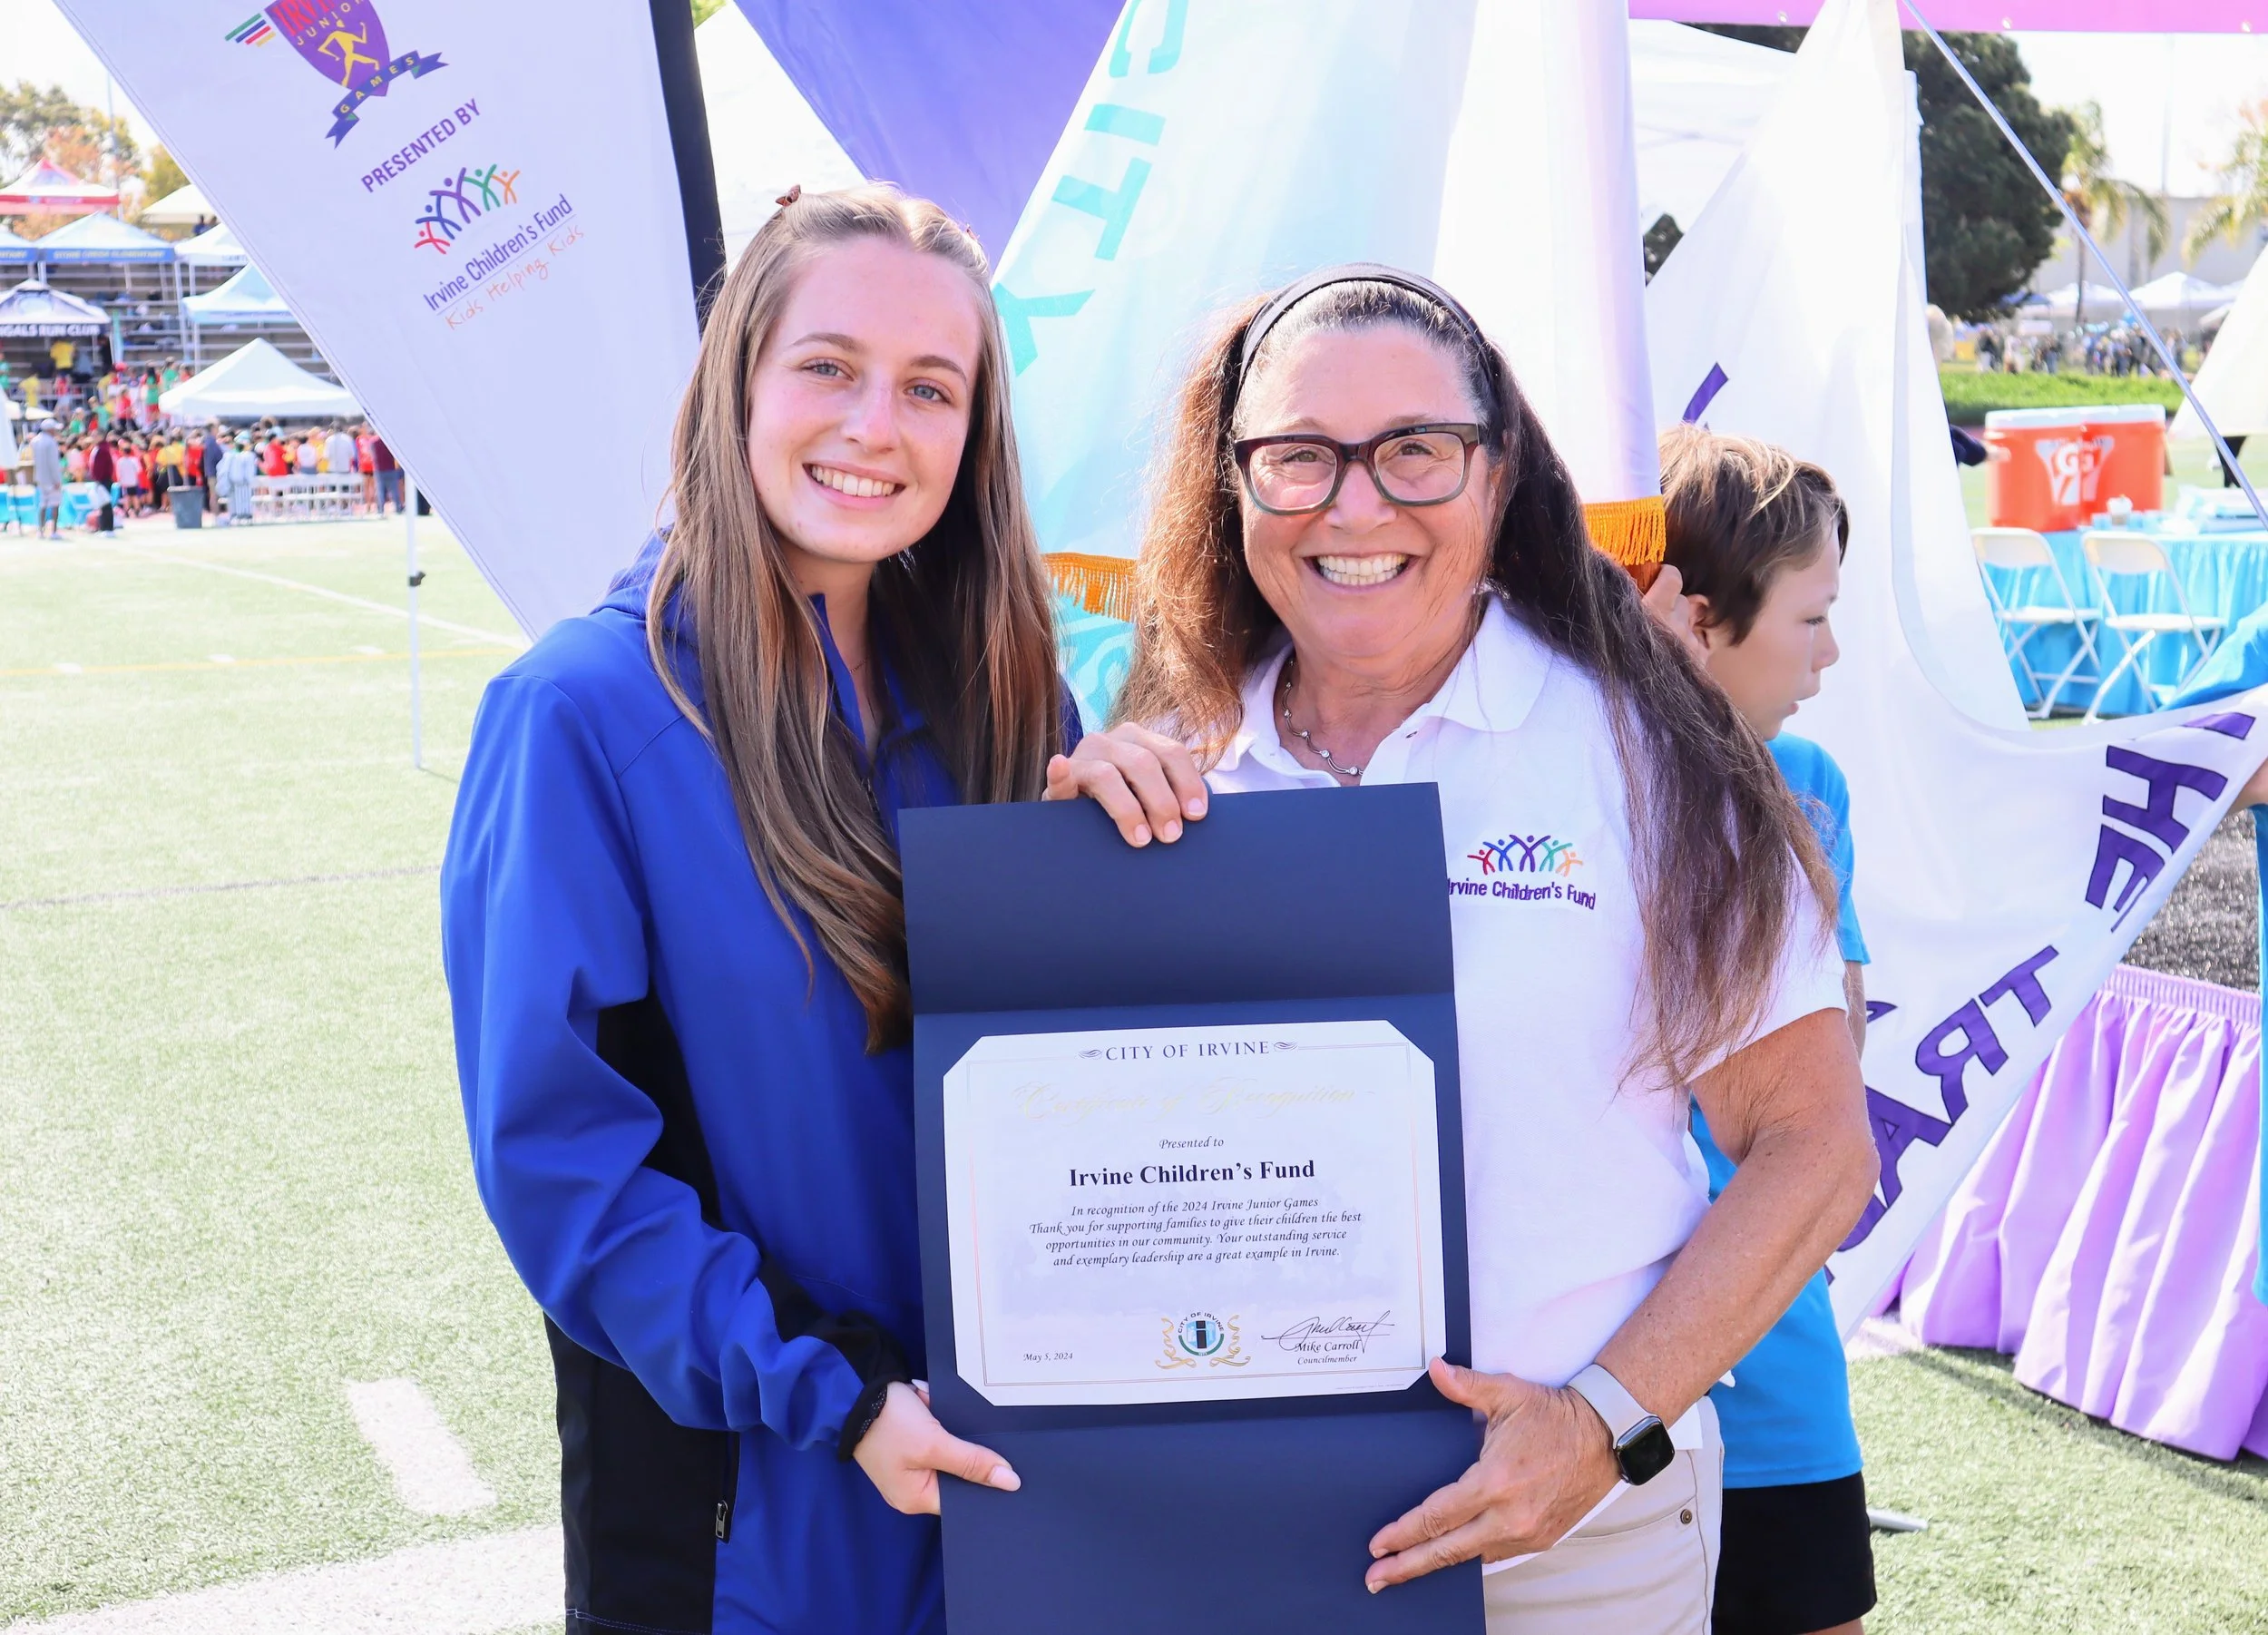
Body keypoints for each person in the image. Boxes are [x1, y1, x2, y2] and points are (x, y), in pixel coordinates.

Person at [1048, 267, 1875, 1635]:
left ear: (1498, 478)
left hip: (1572, 1549)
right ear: (1232, 484)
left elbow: (1815, 1147)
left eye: (1415, 452)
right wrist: (1062, 879)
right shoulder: (1171, 766)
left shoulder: (1653, 757)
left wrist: (1600, 1422)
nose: (1354, 504)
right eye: (1298, 456)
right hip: (1230, 1539)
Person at [440, 184, 1070, 1635]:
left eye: (930, 387)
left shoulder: (1008, 702)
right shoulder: (582, 716)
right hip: (748, 1525)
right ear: (739, 382)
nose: (876, 426)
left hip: (1011, 1503)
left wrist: (1135, 834)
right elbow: (564, 1168)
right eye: (829, 367)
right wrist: (834, 1393)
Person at [1654, 425, 1875, 1635]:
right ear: (1691, 615)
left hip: (1776, 1359)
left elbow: (1835, 1064)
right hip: (1581, 1369)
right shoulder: (1544, 786)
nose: (1831, 654)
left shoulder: (1815, 790)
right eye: (1811, 617)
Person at [30, 416, 64, 539]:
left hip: (40, 478)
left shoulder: (35, 441)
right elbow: (53, 463)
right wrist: (57, 480)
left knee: (43, 504)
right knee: (55, 504)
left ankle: (41, 530)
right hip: (50, 478)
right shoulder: (51, 442)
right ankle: (53, 531)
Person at [218, 434, 258, 525]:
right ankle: (238, 515)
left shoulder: (233, 455)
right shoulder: (231, 455)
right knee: (236, 500)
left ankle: (243, 515)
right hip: (235, 481)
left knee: (242, 498)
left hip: (239, 480)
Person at [371, 429, 401, 514]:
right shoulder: (390, 441)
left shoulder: (373, 442)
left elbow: (372, 454)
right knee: (394, 490)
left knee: (380, 491)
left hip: (379, 469)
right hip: (391, 468)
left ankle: (380, 509)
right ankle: (398, 507)